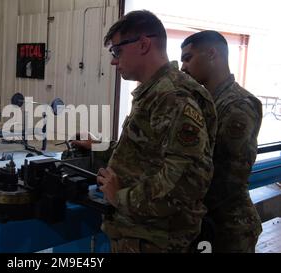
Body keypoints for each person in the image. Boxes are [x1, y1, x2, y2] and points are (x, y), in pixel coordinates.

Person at [72, 10, 217, 253]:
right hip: (141, 233)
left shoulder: (172, 96)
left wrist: (120, 197)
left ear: (143, 44)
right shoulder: (156, 92)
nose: (113, 61)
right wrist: (97, 147)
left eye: (117, 51)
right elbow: (145, 154)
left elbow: (184, 181)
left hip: (155, 239)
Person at [180, 30, 262, 252]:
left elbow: (228, 174)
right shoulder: (206, 103)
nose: (183, 68)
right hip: (207, 222)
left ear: (212, 54)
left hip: (229, 228)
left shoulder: (238, 104)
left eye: (188, 58)